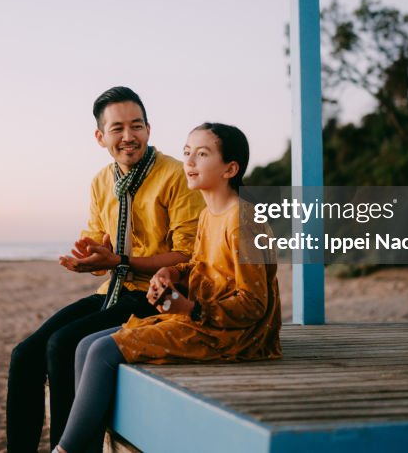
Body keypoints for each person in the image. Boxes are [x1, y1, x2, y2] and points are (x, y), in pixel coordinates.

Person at [56, 122, 282, 453]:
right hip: (204, 319)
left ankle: (65, 450)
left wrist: (191, 309)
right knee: (85, 345)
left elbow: (254, 304)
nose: (189, 162)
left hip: (237, 334)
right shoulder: (209, 215)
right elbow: (200, 266)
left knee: (103, 350)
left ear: (230, 169)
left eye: (202, 154)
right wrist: (170, 273)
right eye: (187, 153)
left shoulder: (244, 221)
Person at [6, 86, 205, 453]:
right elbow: (98, 242)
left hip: (158, 297)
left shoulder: (176, 175)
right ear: (101, 137)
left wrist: (118, 262)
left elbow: (187, 258)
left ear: (149, 129)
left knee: (63, 344)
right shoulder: (102, 181)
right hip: (112, 291)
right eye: (117, 129)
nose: (128, 136)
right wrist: (88, 258)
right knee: (24, 355)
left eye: (137, 126)